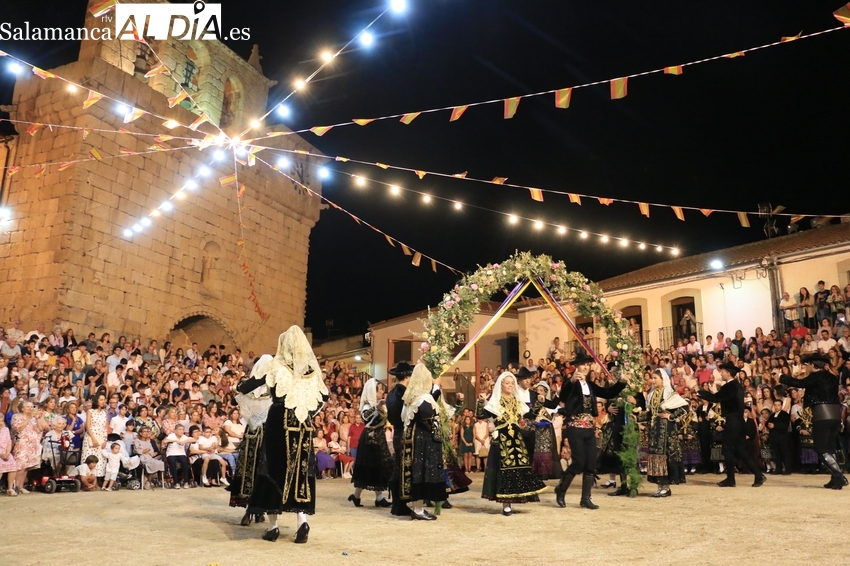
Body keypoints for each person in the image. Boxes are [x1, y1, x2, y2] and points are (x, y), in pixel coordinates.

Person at [241, 327, 328, 544]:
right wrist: (307, 411)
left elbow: (247, 386)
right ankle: (302, 522)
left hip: (280, 420)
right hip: (304, 425)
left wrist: (242, 386)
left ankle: (274, 527)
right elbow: (323, 397)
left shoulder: (277, 366)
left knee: (273, 467)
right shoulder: (310, 371)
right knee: (300, 470)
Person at [553, 352, 627, 509]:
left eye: (588, 364)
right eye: (583, 364)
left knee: (591, 464)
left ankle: (585, 498)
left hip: (588, 427)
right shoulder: (571, 383)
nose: (586, 367)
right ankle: (561, 489)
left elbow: (607, 393)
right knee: (579, 462)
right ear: (576, 367)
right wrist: (572, 380)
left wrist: (621, 382)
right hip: (575, 427)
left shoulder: (590, 385)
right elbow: (563, 395)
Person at [479, 372, 547, 516]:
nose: (510, 385)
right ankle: (506, 505)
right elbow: (481, 415)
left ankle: (516, 498)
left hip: (516, 440)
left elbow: (529, 415)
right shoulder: (495, 401)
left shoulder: (517, 401)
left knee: (518, 468)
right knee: (504, 471)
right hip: (502, 440)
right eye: (507, 383)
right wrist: (480, 402)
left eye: (512, 383)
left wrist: (540, 402)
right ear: (501, 385)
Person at [780, 353, 848, 489]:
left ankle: (839, 476)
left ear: (813, 365)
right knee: (830, 448)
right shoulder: (833, 377)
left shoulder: (815, 376)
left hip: (822, 415)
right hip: (835, 415)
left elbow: (800, 383)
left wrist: (782, 378)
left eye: (808, 365)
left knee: (821, 448)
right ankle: (835, 479)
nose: (807, 368)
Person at [697, 362, 766, 488]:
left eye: (722, 371)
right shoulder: (736, 385)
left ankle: (731, 478)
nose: (721, 373)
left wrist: (701, 393)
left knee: (727, 449)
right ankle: (758, 474)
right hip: (738, 421)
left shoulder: (730, 386)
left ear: (728, 373)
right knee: (741, 450)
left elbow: (716, 398)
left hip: (733, 421)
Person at [399, 363, 448, 520]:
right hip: (423, 441)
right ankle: (418, 510)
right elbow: (428, 419)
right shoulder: (424, 398)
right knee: (421, 473)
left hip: (412, 439)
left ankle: (417, 507)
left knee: (415, 472)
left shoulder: (410, 399)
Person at [230, 354, 273, 526]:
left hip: (254, 436)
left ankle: (253, 510)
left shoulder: (250, 391)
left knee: (252, 470)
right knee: (261, 471)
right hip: (267, 435)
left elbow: (235, 399)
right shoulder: (273, 392)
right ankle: (255, 510)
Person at [635, 370, 689, 497]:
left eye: (655, 378)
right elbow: (650, 414)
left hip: (667, 431)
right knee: (656, 455)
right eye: (652, 378)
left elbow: (685, 407)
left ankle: (666, 487)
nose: (653, 381)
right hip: (655, 430)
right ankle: (660, 485)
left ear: (662, 379)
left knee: (665, 455)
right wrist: (637, 417)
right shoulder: (652, 394)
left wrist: (671, 416)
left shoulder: (670, 393)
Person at [348, 377, 392, 508]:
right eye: (379, 391)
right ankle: (369, 497)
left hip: (379, 438)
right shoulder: (368, 406)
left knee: (376, 468)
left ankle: (362, 496)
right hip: (370, 440)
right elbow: (366, 419)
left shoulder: (380, 406)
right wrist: (377, 406)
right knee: (369, 468)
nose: (381, 394)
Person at [385, 360, 414, 516]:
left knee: (398, 467)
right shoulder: (403, 394)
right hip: (404, 432)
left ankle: (397, 503)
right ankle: (400, 503)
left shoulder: (391, 393)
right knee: (404, 469)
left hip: (397, 432)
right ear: (407, 377)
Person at [162, 424, 193, 488]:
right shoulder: (171, 435)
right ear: (175, 431)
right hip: (171, 454)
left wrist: (185, 441)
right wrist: (176, 440)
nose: (181, 431)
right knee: (172, 463)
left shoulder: (184, 437)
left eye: (182, 430)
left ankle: (186, 482)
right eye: (179, 430)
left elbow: (194, 440)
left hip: (181, 453)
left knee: (185, 462)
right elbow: (165, 441)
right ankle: (176, 482)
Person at [0, 416, 18, 496]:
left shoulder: (6, 429)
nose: (1, 423)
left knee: (13, 464)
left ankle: (10, 489)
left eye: (2, 421)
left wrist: (7, 453)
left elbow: (9, 443)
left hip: (6, 452)